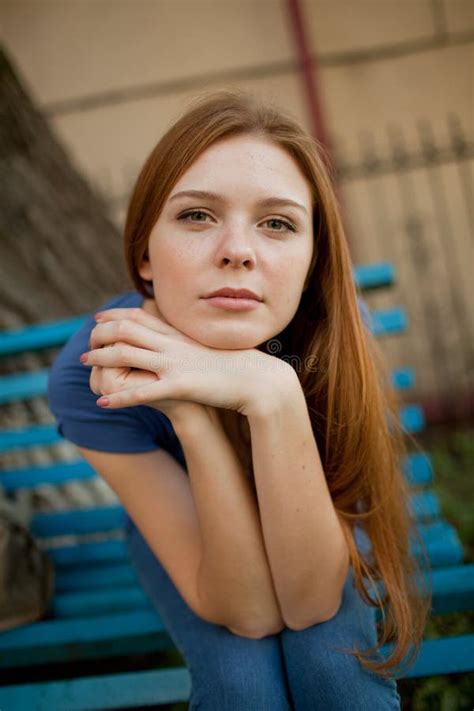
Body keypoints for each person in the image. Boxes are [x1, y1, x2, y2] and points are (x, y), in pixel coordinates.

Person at [48, 90, 431, 709]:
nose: (237, 250)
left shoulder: (330, 342)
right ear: (144, 253)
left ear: (312, 262)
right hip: (185, 528)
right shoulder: (94, 370)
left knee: (335, 675)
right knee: (240, 687)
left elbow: (307, 603)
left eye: (277, 223)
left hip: (321, 510)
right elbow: (250, 615)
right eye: (197, 215)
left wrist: (274, 392)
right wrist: (189, 415)